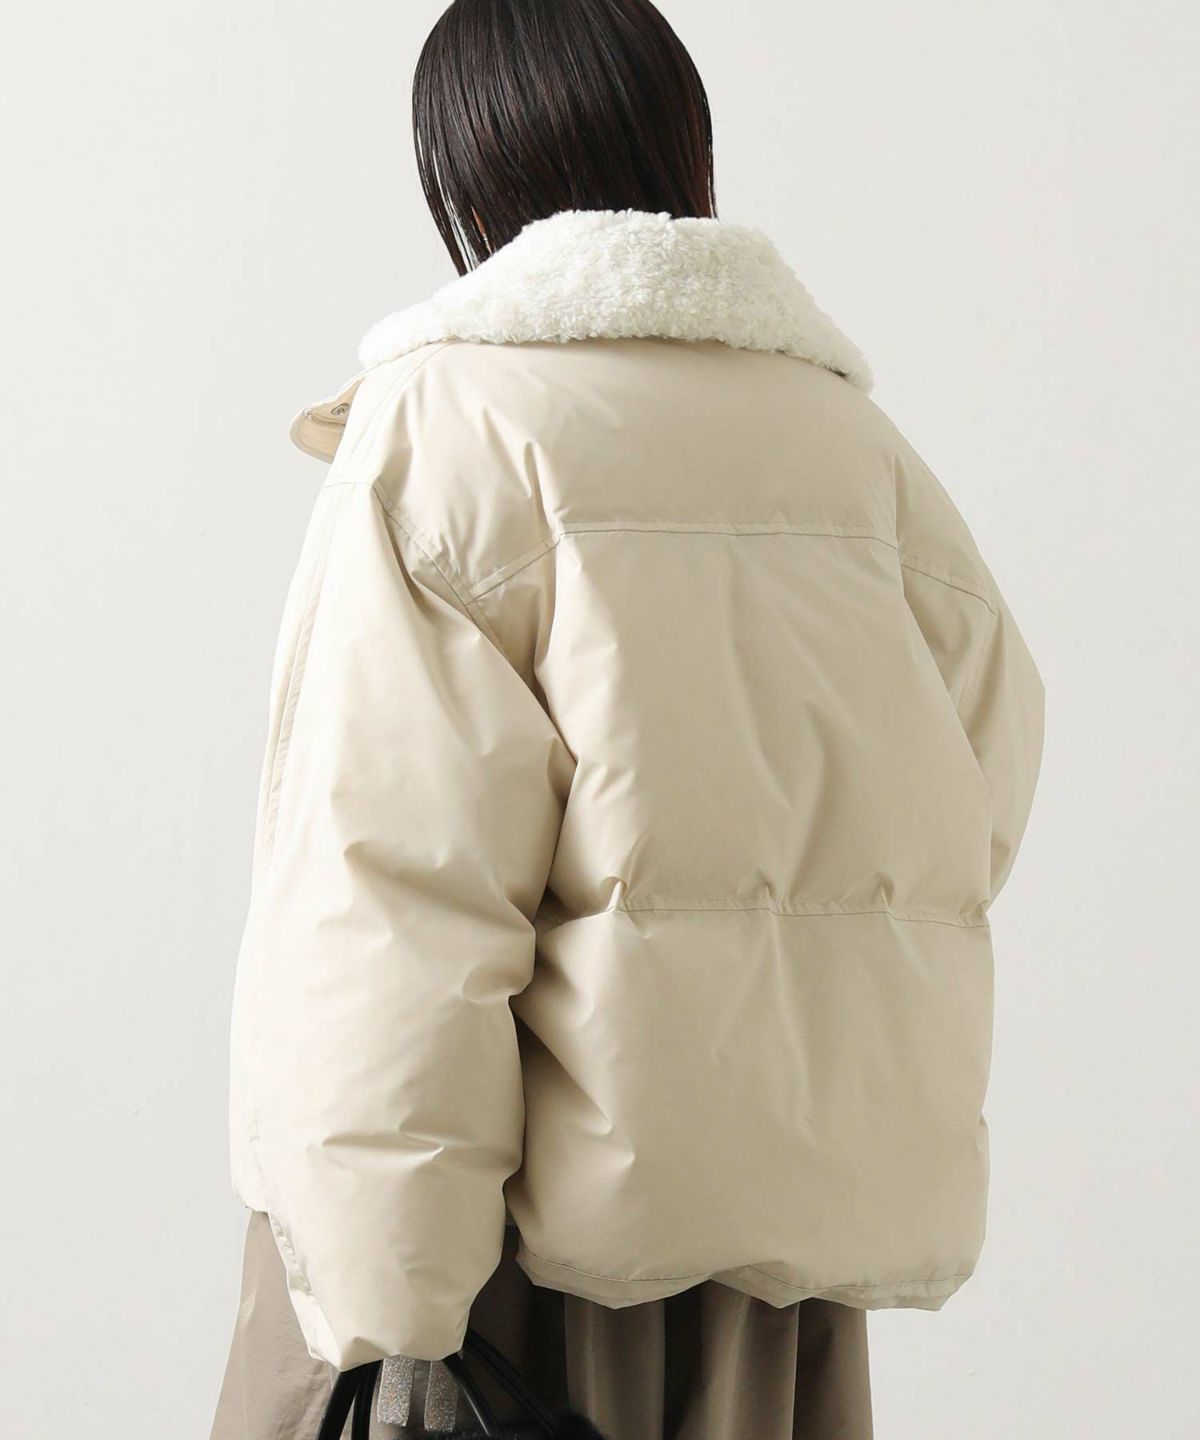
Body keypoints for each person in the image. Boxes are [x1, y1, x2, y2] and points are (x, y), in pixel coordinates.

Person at [209, 1, 1046, 1436]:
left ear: (468, 173)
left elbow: (386, 898)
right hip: (773, 1298)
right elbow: (975, 788)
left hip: (500, 1271)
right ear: (679, 147)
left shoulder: (452, 430)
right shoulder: (860, 452)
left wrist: (386, 1309)